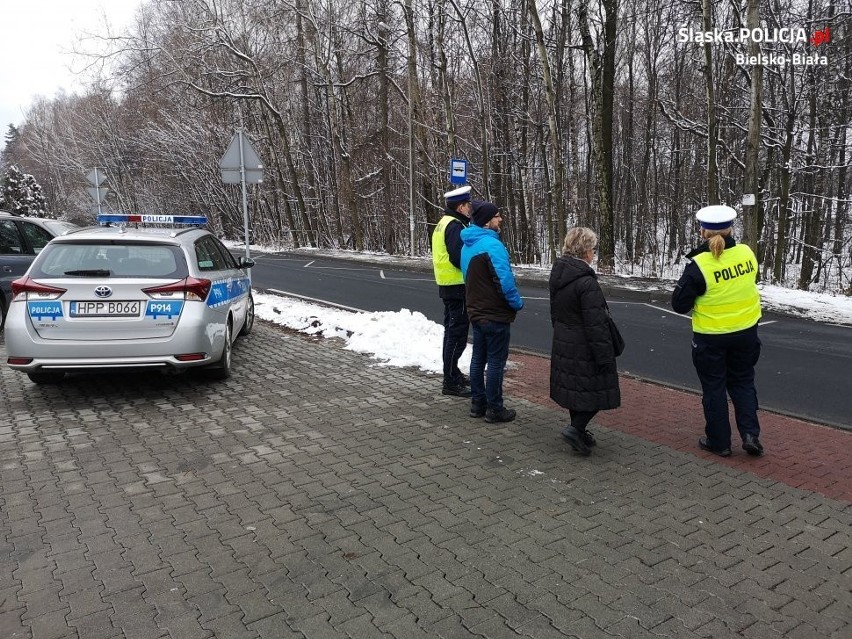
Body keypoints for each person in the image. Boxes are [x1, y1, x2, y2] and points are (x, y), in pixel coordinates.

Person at [672, 205, 764, 458]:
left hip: (711, 337)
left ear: (703, 232)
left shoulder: (699, 265)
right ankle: (750, 435)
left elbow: (678, 305)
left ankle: (719, 442)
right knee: (743, 382)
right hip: (746, 333)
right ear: (731, 229)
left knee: (714, 388)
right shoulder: (746, 253)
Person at [549, 227, 621, 456]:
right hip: (584, 344)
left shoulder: (558, 272)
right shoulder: (586, 282)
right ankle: (575, 429)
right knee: (598, 388)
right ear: (585, 251)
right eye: (592, 248)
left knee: (576, 389)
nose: (593, 253)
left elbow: (555, 311)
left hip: (564, 340)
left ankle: (579, 432)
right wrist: (604, 355)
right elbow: (596, 323)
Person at [460, 200, 524, 423]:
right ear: (487, 222)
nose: (500, 219)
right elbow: (504, 281)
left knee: (478, 358)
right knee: (496, 361)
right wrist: (516, 303)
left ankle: (478, 403)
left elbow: (467, 279)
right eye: (497, 216)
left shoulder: (467, 245)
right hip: (494, 313)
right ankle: (495, 408)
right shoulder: (492, 245)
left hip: (476, 311)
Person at [432, 185, 473, 397]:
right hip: (457, 286)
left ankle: (453, 373)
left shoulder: (443, 223)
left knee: (451, 332)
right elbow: (458, 257)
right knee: (456, 335)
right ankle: (450, 381)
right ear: (460, 206)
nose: (470, 209)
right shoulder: (455, 226)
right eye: (468, 205)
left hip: (448, 285)